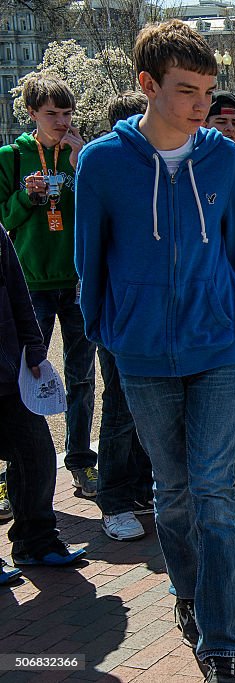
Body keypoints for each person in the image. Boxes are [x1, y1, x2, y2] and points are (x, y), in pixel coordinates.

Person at [75, 20, 235, 680]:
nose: (203, 106)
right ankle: (189, 593)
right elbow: (91, 262)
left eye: (209, 91)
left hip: (218, 346)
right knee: (173, 494)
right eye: (188, 91)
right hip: (140, 355)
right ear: (148, 85)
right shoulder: (101, 162)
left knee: (215, 494)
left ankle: (225, 640)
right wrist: (106, 331)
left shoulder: (221, 157)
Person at [0, 74, 97, 497]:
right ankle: (12, 472)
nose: (61, 121)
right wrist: (29, 196)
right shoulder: (12, 156)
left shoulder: (83, 155)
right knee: (20, 379)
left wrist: (81, 164)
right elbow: (4, 220)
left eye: (67, 113)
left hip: (76, 281)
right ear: (32, 114)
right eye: (51, 113)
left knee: (82, 376)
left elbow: (98, 212)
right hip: (28, 285)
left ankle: (80, 462)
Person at [1, 220, 87, 571]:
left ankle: (34, 542)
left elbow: (17, 290)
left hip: (7, 372)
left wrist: (34, 346)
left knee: (36, 453)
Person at [96, 90, 155, 542]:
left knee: (154, 409)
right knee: (120, 410)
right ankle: (114, 499)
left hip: (161, 317)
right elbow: (91, 259)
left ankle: (139, 489)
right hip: (120, 319)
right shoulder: (105, 173)